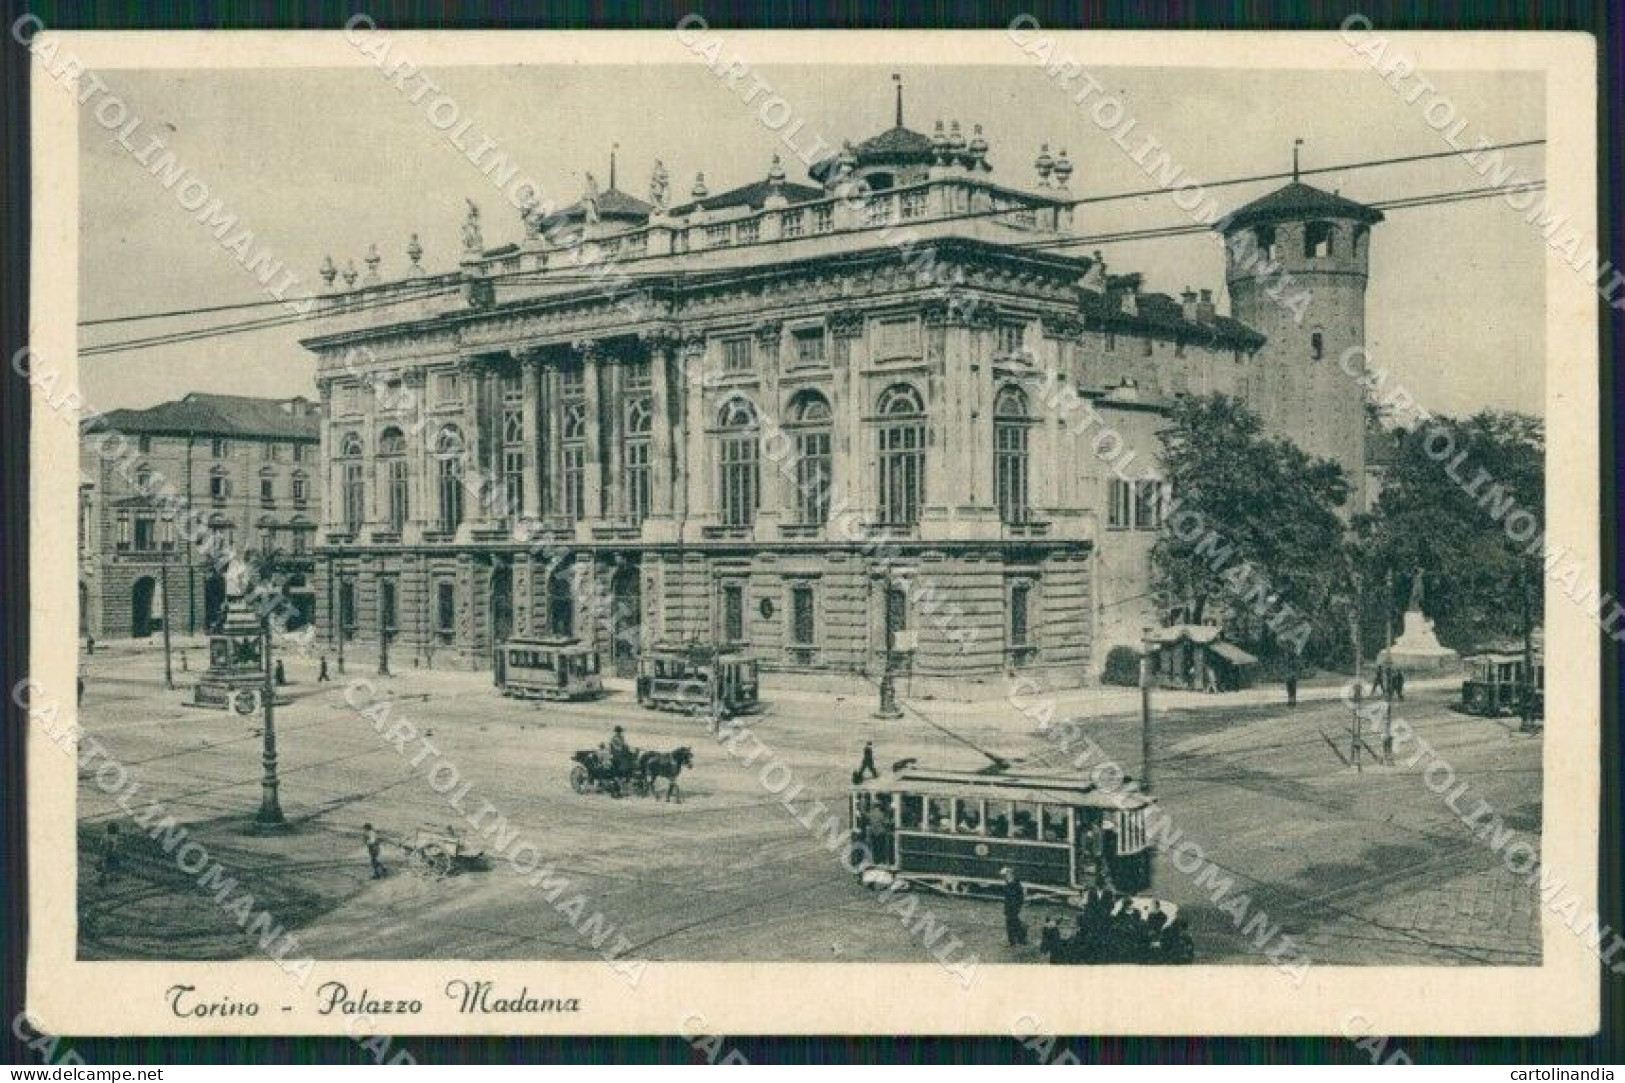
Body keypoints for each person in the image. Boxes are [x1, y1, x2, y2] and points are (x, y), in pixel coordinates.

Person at [1000, 867, 1027, 948]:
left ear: (1011, 875)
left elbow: (1013, 895)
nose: (1004, 877)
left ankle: (1013, 941)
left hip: (1013, 907)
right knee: (1015, 923)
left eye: (1006, 875)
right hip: (1010, 907)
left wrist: (1016, 907)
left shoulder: (1014, 884)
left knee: (1011, 924)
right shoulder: (1012, 883)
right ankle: (1020, 939)